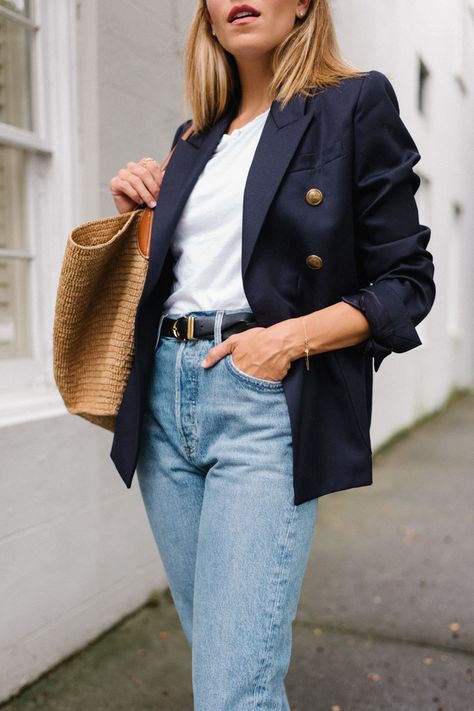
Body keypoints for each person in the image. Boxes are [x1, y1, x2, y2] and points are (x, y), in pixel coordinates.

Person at [108, 1, 436, 708]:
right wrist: (138, 212)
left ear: (304, 4)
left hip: (262, 400)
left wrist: (285, 339)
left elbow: (407, 281)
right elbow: (181, 276)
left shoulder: (351, 104)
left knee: (234, 685)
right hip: (165, 399)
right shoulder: (193, 138)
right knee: (226, 659)